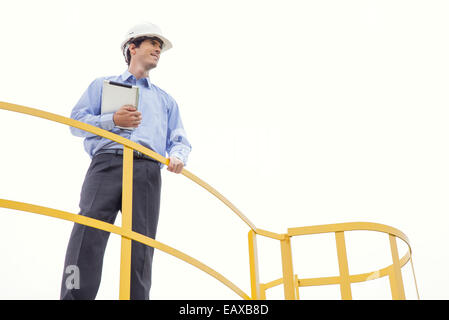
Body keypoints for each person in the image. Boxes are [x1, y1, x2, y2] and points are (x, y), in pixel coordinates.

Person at [60, 22, 191, 300]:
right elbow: (75, 123)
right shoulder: (102, 85)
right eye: (152, 43)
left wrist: (178, 156)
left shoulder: (165, 100)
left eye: (160, 46)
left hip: (146, 170)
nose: (158, 49)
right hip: (106, 163)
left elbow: (179, 140)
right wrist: (112, 121)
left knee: (141, 243)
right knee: (87, 234)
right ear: (132, 47)